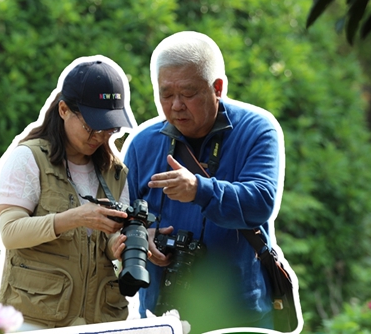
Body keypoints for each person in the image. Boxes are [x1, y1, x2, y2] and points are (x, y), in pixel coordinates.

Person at [117, 31, 286, 332]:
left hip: (240, 315)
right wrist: (142, 236)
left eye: (188, 93)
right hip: (162, 316)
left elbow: (262, 201)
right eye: (166, 94)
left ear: (217, 88)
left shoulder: (257, 130)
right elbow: (123, 216)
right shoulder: (142, 143)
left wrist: (199, 190)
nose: (176, 105)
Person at [0, 55, 137, 331]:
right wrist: (75, 217)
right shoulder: (27, 158)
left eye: (110, 128)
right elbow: (9, 233)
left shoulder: (115, 171)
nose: (100, 136)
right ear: (63, 110)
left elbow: (106, 241)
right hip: (34, 321)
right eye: (91, 126)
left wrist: (116, 246)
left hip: (98, 321)